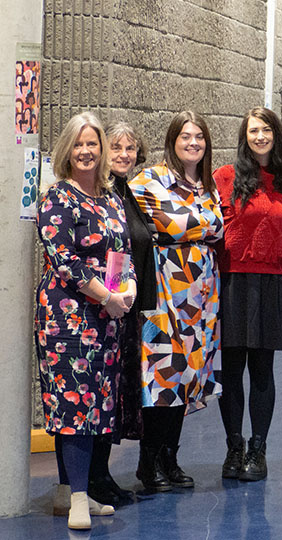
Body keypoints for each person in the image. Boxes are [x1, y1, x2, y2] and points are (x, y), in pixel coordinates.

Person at [36, 112, 135, 529]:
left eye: (92, 143)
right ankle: (79, 499)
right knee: (73, 403)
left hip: (107, 319)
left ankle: (68, 490)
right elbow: (65, 260)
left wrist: (125, 289)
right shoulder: (58, 197)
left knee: (96, 405)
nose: (86, 151)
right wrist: (107, 295)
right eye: (78, 144)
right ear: (67, 150)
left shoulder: (111, 199)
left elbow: (120, 252)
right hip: (67, 318)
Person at [130, 111, 223, 492]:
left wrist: (191, 225)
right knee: (161, 374)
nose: (193, 143)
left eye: (199, 137)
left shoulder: (209, 184)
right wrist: (201, 226)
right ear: (172, 141)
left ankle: (171, 456)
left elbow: (214, 227)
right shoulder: (149, 179)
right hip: (163, 289)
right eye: (185, 136)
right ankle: (148, 462)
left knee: (185, 376)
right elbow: (174, 226)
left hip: (201, 295)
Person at [214, 107, 282, 481]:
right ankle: (234, 447)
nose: (260, 136)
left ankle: (258, 449)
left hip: (271, 283)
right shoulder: (225, 178)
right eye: (253, 131)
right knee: (231, 371)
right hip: (232, 282)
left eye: (266, 130)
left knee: (262, 371)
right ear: (244, 136)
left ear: (275, 134)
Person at [84, 122, 152, 506]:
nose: (124, 154)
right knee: (100, 394)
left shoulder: (132, 193)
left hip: (127, 309)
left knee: (115, 398)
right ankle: (91, 478)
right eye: (117, 147)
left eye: (130, 148)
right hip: (102, 309)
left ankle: (103, 474)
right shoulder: (102, 196)